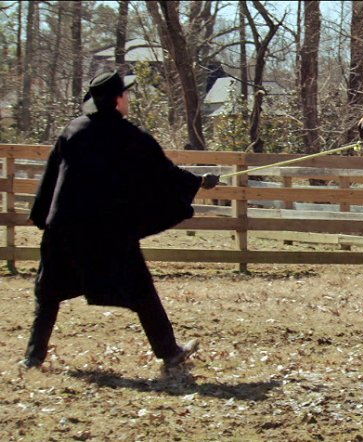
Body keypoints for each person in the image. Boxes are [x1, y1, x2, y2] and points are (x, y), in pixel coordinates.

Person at [22, 71, 219, 369]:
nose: (128, 99)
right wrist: (199, 182)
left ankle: (33, 356)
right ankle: (169, 352)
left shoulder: (72, 130)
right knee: (141, 290)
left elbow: (51, 176)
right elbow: (163, 174)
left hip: (65, 228)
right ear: (117, 100)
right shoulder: (130, 137)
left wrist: (42, 216)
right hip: (108, 233)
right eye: (126, 95)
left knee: (49, 292)